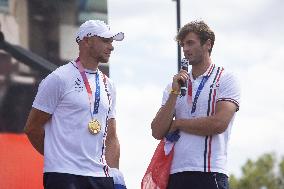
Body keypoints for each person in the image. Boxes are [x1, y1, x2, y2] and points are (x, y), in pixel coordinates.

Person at [24, 20, 126, 189]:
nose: (111, 47)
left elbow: (111, 136)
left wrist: (115, 174)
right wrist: (56, 158)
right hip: (64, 175)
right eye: (105, 41)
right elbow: (32, 128)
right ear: (87, 41)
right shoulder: (58, 78)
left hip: (100, 177)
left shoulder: (109, 85)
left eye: (112, 41)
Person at [151, 20, 240, 189]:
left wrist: (177, 123)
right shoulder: (173, 85)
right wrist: (174, 93)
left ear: (208, 44)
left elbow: (219, 123)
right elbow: (157, 131)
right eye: (183, 45)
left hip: (210, 172)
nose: (185, 49)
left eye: (190, 43)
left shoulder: (226, 78)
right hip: (174, 174)